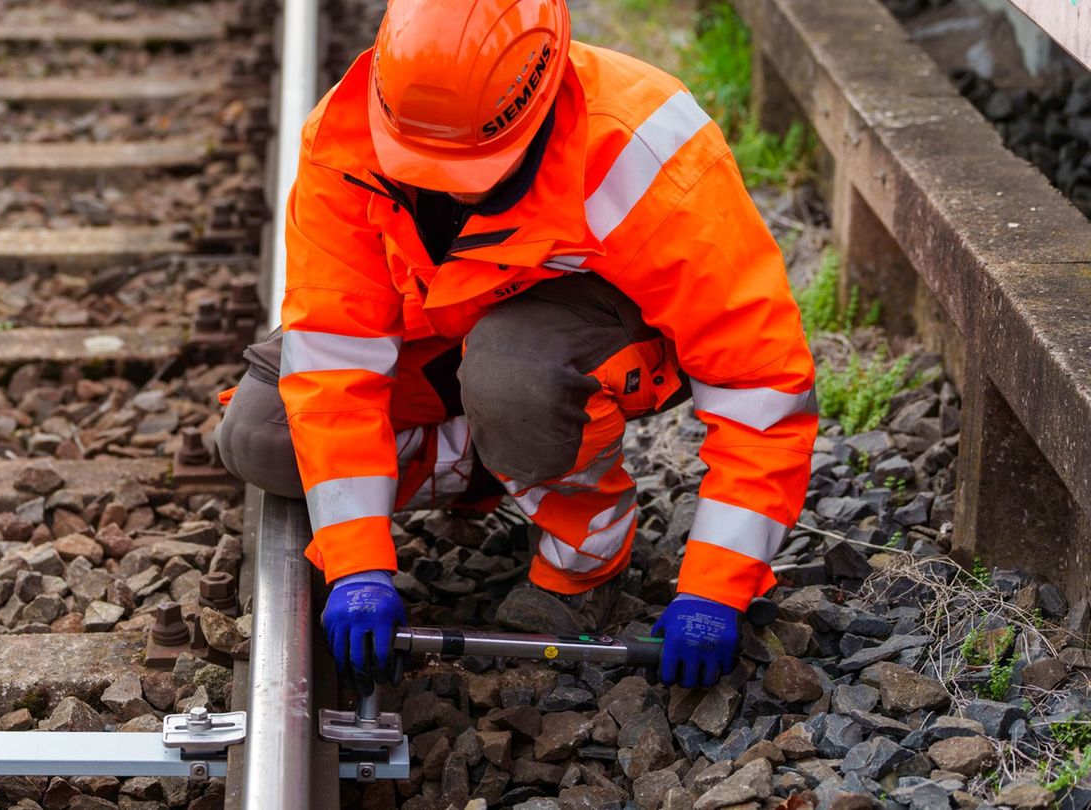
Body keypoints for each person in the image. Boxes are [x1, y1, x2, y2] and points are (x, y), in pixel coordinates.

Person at [215, 0, 816, 690]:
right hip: (444, 337)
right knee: (264, 434)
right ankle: (497, 460)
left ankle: (583, 557)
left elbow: (761, 388)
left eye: (464, 172)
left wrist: (716, 590)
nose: (437, 187)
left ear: (545, 96)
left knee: (513, 375)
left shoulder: (645, 146)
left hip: (569, 351)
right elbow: (333, 360)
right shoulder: (346, 140)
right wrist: (356, 563)